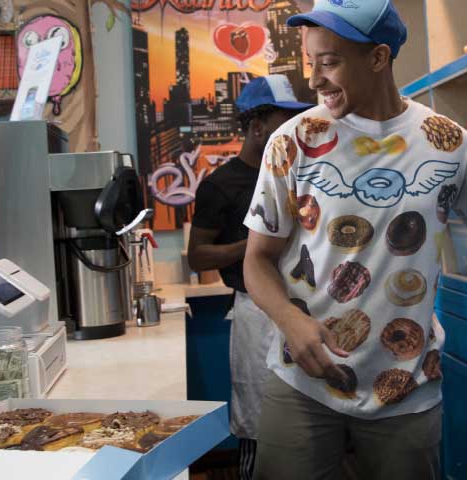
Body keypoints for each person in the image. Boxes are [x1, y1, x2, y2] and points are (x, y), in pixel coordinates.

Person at [241, 1, 467, 478]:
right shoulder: (293, 141)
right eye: (310, 63)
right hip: (303, 381)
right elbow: (257, 259)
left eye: (329, 62)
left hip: (405, 389)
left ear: (378, 57)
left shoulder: (447, 143)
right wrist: (289, 320)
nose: (315, 80)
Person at [187, 74, 313, 480]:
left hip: (304, 307)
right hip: (256, 313)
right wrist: (258, 244)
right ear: (257, 127)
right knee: (260, 422)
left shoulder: (299, 173)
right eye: (284, 121)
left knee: (310, 424)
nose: (293, 129)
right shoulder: (220, 186)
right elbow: (198, 256)